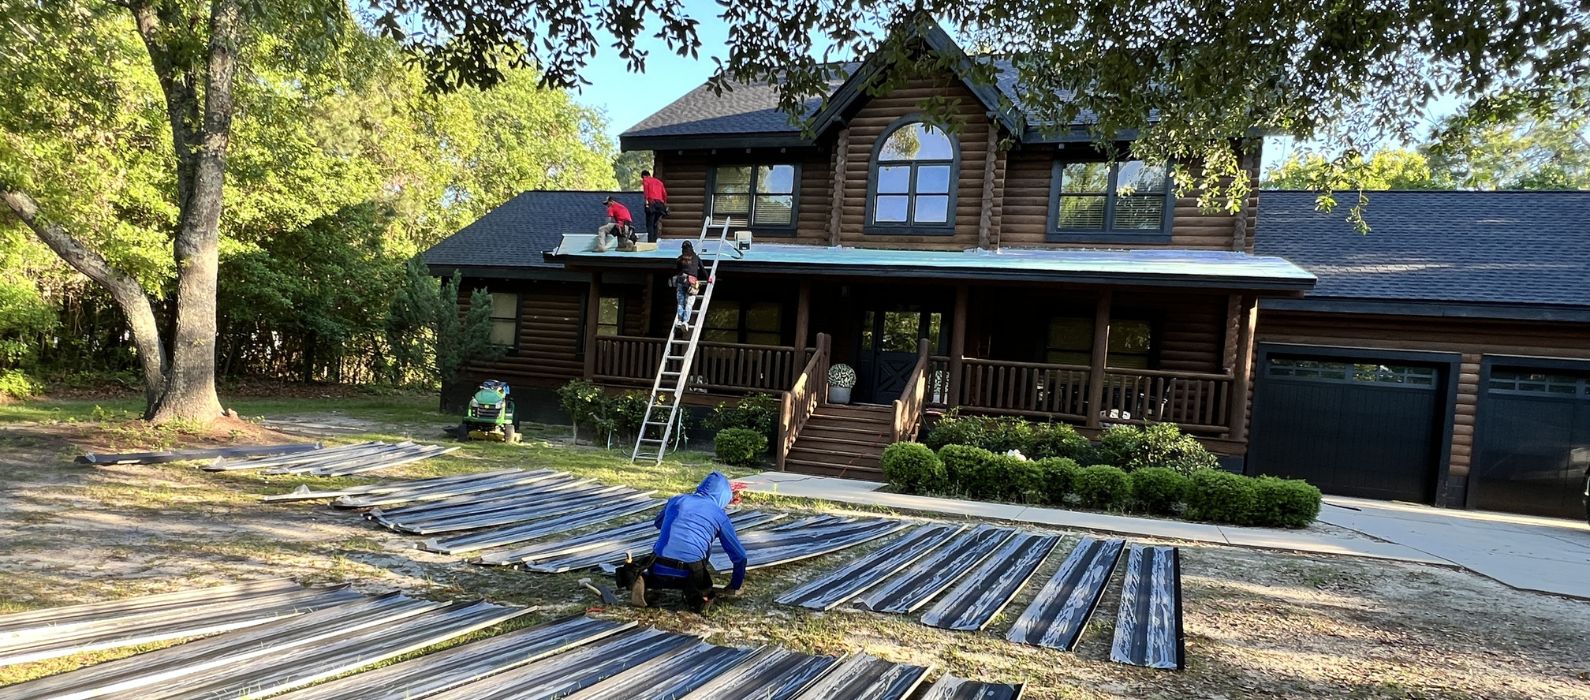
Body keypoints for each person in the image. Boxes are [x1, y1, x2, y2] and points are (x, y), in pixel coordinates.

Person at [616, 472, 746, 612]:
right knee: (702, 586)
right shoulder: (719, 515)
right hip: (689, 572)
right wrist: (734, 585)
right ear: (724, 496)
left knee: (653, 567)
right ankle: (697, 598)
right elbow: (740, 557)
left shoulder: (677, 500)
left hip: (659, 566)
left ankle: (644, 580)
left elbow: (659, 523)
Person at [673, 240, 709, 330]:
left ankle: (680, 320)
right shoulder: (696, 258)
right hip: (692, 282)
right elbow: (703, 269)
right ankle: (685, 321)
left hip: (681, 280)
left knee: (681, 302)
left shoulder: (680, 258)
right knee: (689, 303)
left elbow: (677, 270)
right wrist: (708, 279)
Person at [641, 170, 668, 238]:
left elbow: (646, 192)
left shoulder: (646, 180)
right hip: (660, 205)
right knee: (655, 223)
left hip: (652, 203)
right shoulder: (659, 182)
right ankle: (654, 241)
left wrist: (647, 202)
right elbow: (664, 194)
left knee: (650, 224)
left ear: (644, 176)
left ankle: (650, 243)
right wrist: (664, 204)